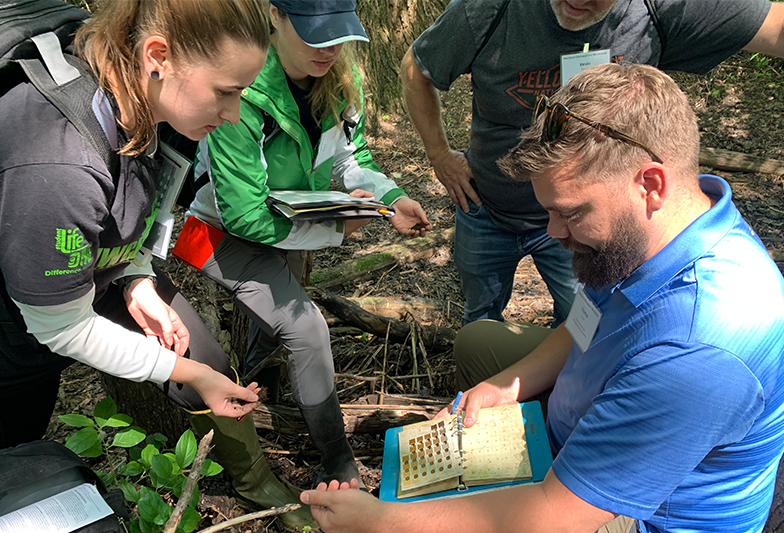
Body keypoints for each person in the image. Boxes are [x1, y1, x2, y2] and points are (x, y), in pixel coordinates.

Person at [298, 62, 784, 533]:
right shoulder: (653, 230)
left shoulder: (699, 347)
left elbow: (555, 517)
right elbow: (583, 325)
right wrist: (504, 387)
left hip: (639, 514)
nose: (553, 231)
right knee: (478, 341)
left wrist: (383, 523)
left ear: (650, 184)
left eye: (569, 213)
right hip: (591, 410)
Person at [0, 0, 319, 529]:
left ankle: (254, 481)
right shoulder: (58, 162)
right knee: (5, 471)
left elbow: (144, 209)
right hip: (5, 340)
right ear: (157, 56)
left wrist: (136, 275)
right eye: (226, 92)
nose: (234, 114)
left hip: (79, 281)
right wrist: (189, 374)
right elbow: (61, 327)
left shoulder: (160, 102)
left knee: (199, 356)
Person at [172, 0, 431, 488]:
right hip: (218, 235)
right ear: (276, 15)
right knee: (307, 328)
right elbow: (243, 214)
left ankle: (263, 399)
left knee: (274, 328)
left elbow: (350, 157)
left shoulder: (341, 81)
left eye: (339, 35)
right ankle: (337, 461)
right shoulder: (243, 88)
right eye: (315, 33)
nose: (329, 49)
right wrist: (336, 231)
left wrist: (390, 197)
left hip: (292, 225)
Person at [400, 0, 784, 327]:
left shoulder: (658, 9)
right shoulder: (490, 8)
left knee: (583, 324)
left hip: (586, 225)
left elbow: (776, 28)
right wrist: (439, 156)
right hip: (487, 206)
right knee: (480, 316)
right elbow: (417, 68)